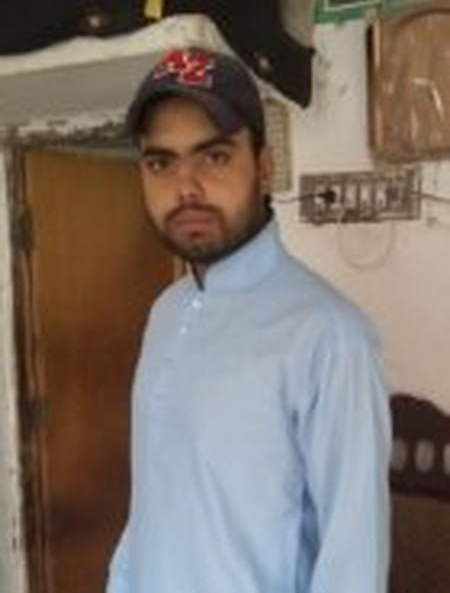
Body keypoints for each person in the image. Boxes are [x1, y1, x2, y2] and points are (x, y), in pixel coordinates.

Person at [106, 46, 391, 593]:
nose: (185, 187)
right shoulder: (165, 312)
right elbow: (154, 505)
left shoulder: (330, 337)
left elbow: (353, 563)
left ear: (263, 167)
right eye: (161, 162)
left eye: (213, 157)